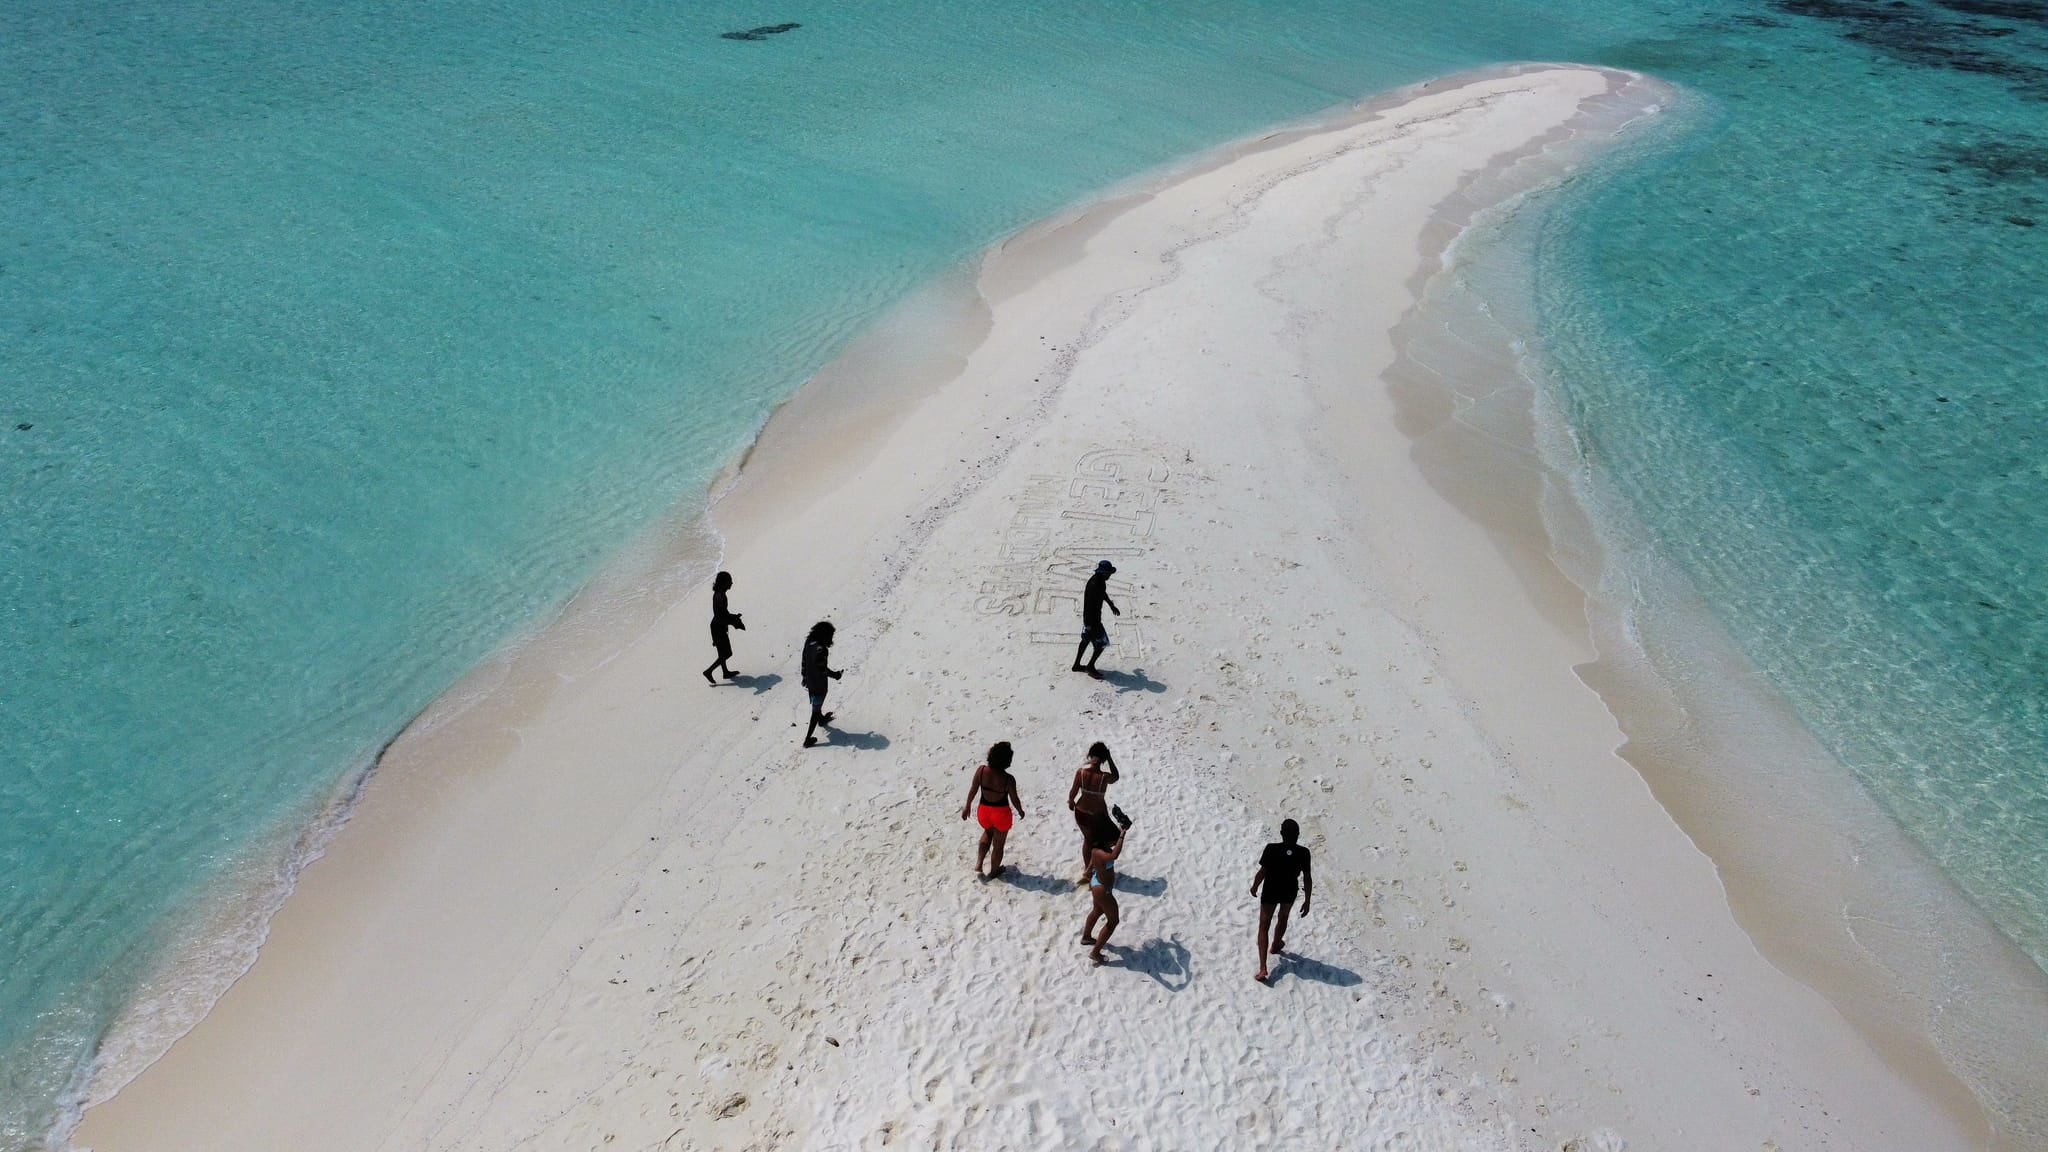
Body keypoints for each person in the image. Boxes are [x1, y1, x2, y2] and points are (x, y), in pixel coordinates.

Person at [1250, 818, 1313, 983]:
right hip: (1289, 892)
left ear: (1281, 834)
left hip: (1271, 890)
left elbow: (1262, 871)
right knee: (1283, 917)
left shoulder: (1271, 849)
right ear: (1298, 835)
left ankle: (1263, 968)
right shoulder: (1304, 853)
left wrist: (1254, 886)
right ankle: (1276, 944)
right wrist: (1307, 900)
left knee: (1264, 926)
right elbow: (1307, 878)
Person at [961, 741, 1026, 879]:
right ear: (1007, 761)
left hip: (984, 811)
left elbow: (973, 789)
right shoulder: (1008, 779)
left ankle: (979, 863)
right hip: (1001, 814)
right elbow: (1015, 799)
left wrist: (967, 806)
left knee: (987, 833)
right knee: (998, 845)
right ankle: (994, 870)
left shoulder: (981, 771)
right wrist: (1020, 810)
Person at [1081, 807, 1132, 965]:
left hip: (1096, 883)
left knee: (1096, 911)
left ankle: (1086, 937)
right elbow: (1114, 855)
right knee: (1113, 922)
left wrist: (1121, 827)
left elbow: (1089, 868)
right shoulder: (1103, 853)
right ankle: (1095, 953)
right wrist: (1122, 835)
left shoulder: (1095, 849)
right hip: (1104, 890)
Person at [1066, 741, 1120, 881]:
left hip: (1080, 812)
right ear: (1103, 759)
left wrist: (1071, 802)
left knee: (1088, 840)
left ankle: (1087, 869)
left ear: (1090, 755)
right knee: (1111, 839)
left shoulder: (1081, 772)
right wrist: (1109, 758)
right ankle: (1089, 871)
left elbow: (1072, 793)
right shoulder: (1104, 777)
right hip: (1096, 816)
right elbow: (1116, 776)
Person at [1071, 560, 1120, 679]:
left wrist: (1111, 605)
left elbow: (1103, 594)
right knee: (1102, 644)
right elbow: (1088, 606)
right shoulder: (1094, 584)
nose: (1109, 576)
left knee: (1085, 640)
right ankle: (1090, 667)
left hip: (1089, 620)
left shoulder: (1100, 581)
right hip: (1092, 621)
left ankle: (1076, 665)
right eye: (1108, 573)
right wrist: (1089, 624)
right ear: (1103, 573)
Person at [800, 621, 842, 747]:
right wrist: (835, 675)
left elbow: (804, 660)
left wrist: (804, 676)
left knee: (816, 705)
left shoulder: (809, 641)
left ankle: (822, 718)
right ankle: (807, 740)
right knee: (815, 711)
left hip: (810, 680)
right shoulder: (821, 649)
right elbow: (822, 669)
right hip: (819, 684)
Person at [703, 571, 745, 684]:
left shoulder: (720, 594)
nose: (731, 583)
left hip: (717, 625)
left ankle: (725, 672)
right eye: (729, 581)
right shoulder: (720, 596)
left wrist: (733, 618)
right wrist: (734, 621)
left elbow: (723, 614)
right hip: (718, 627)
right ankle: (709, 671)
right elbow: (720, 616)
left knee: (722, 652)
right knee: (727, 653)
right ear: (723, 583)